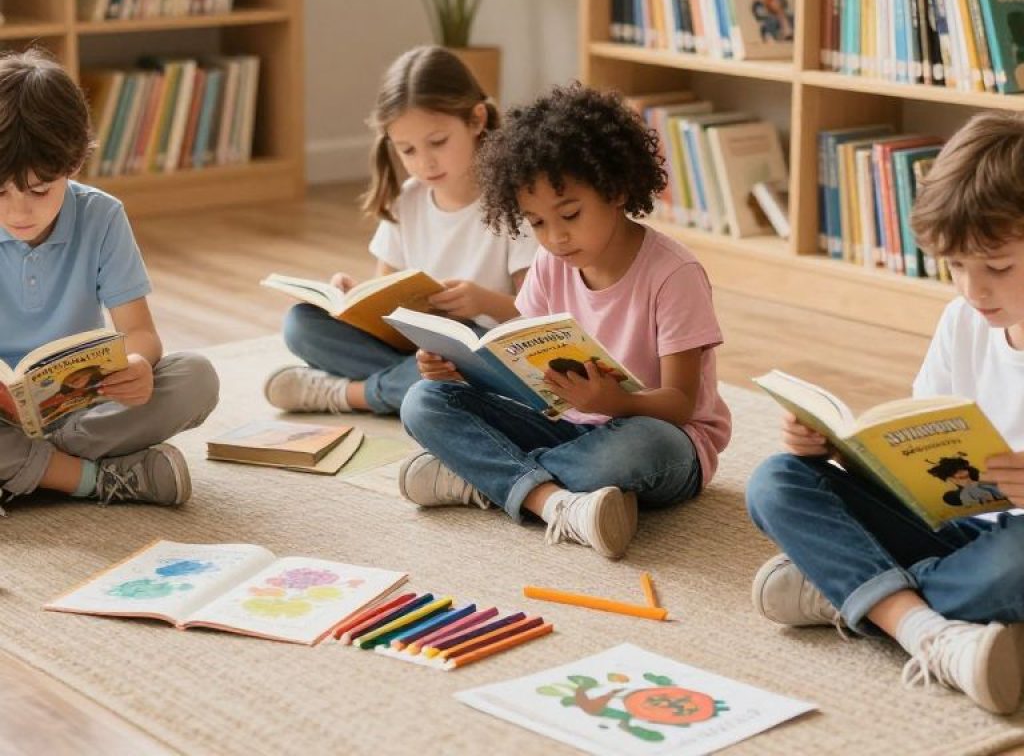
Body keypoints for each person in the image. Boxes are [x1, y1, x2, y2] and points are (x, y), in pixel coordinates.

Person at [746, 111, 1024, 715]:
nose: (973, 292)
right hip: (953, 525)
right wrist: (837, 449)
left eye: (997, 268)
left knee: (1015, 563)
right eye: (955, 268)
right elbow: (916, 445)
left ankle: (858, 593)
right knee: (775, 481)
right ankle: (930, 624)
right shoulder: (964, 321)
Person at [397, 83, 732, 559]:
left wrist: (614, 401)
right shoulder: (552, 262)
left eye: (570, 214)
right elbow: (525, 360)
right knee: (423, 400)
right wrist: (457, 368)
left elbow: (681, 406)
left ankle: (486, 476)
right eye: (535, 223)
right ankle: (552, 501)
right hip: (569, 426)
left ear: (616, 190)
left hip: (662, 440)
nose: (554, 237)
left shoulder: (674, 275)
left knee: (640, 447)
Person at [0, 49, 219, 511]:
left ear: (74, 163)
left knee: (196, 377)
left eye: (39, 190)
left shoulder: (101, 216)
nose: (19, 211)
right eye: (0, 192)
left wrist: (138, 365)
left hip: (83, 411)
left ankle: (36, 471)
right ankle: (97, 478)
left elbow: (139, 331)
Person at [264, 46, 536, 415]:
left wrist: (483, 302)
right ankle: (417, 390)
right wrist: (351, 299)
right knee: (301, 324)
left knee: (472, 354)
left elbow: (537, 321)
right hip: (417, 352)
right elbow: (387, 303)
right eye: (407, 150)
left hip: (479, 348)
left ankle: (348, 395)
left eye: (437, 142)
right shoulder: (407, 200)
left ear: (476, 120)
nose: (424, 162)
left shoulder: (516, 202)